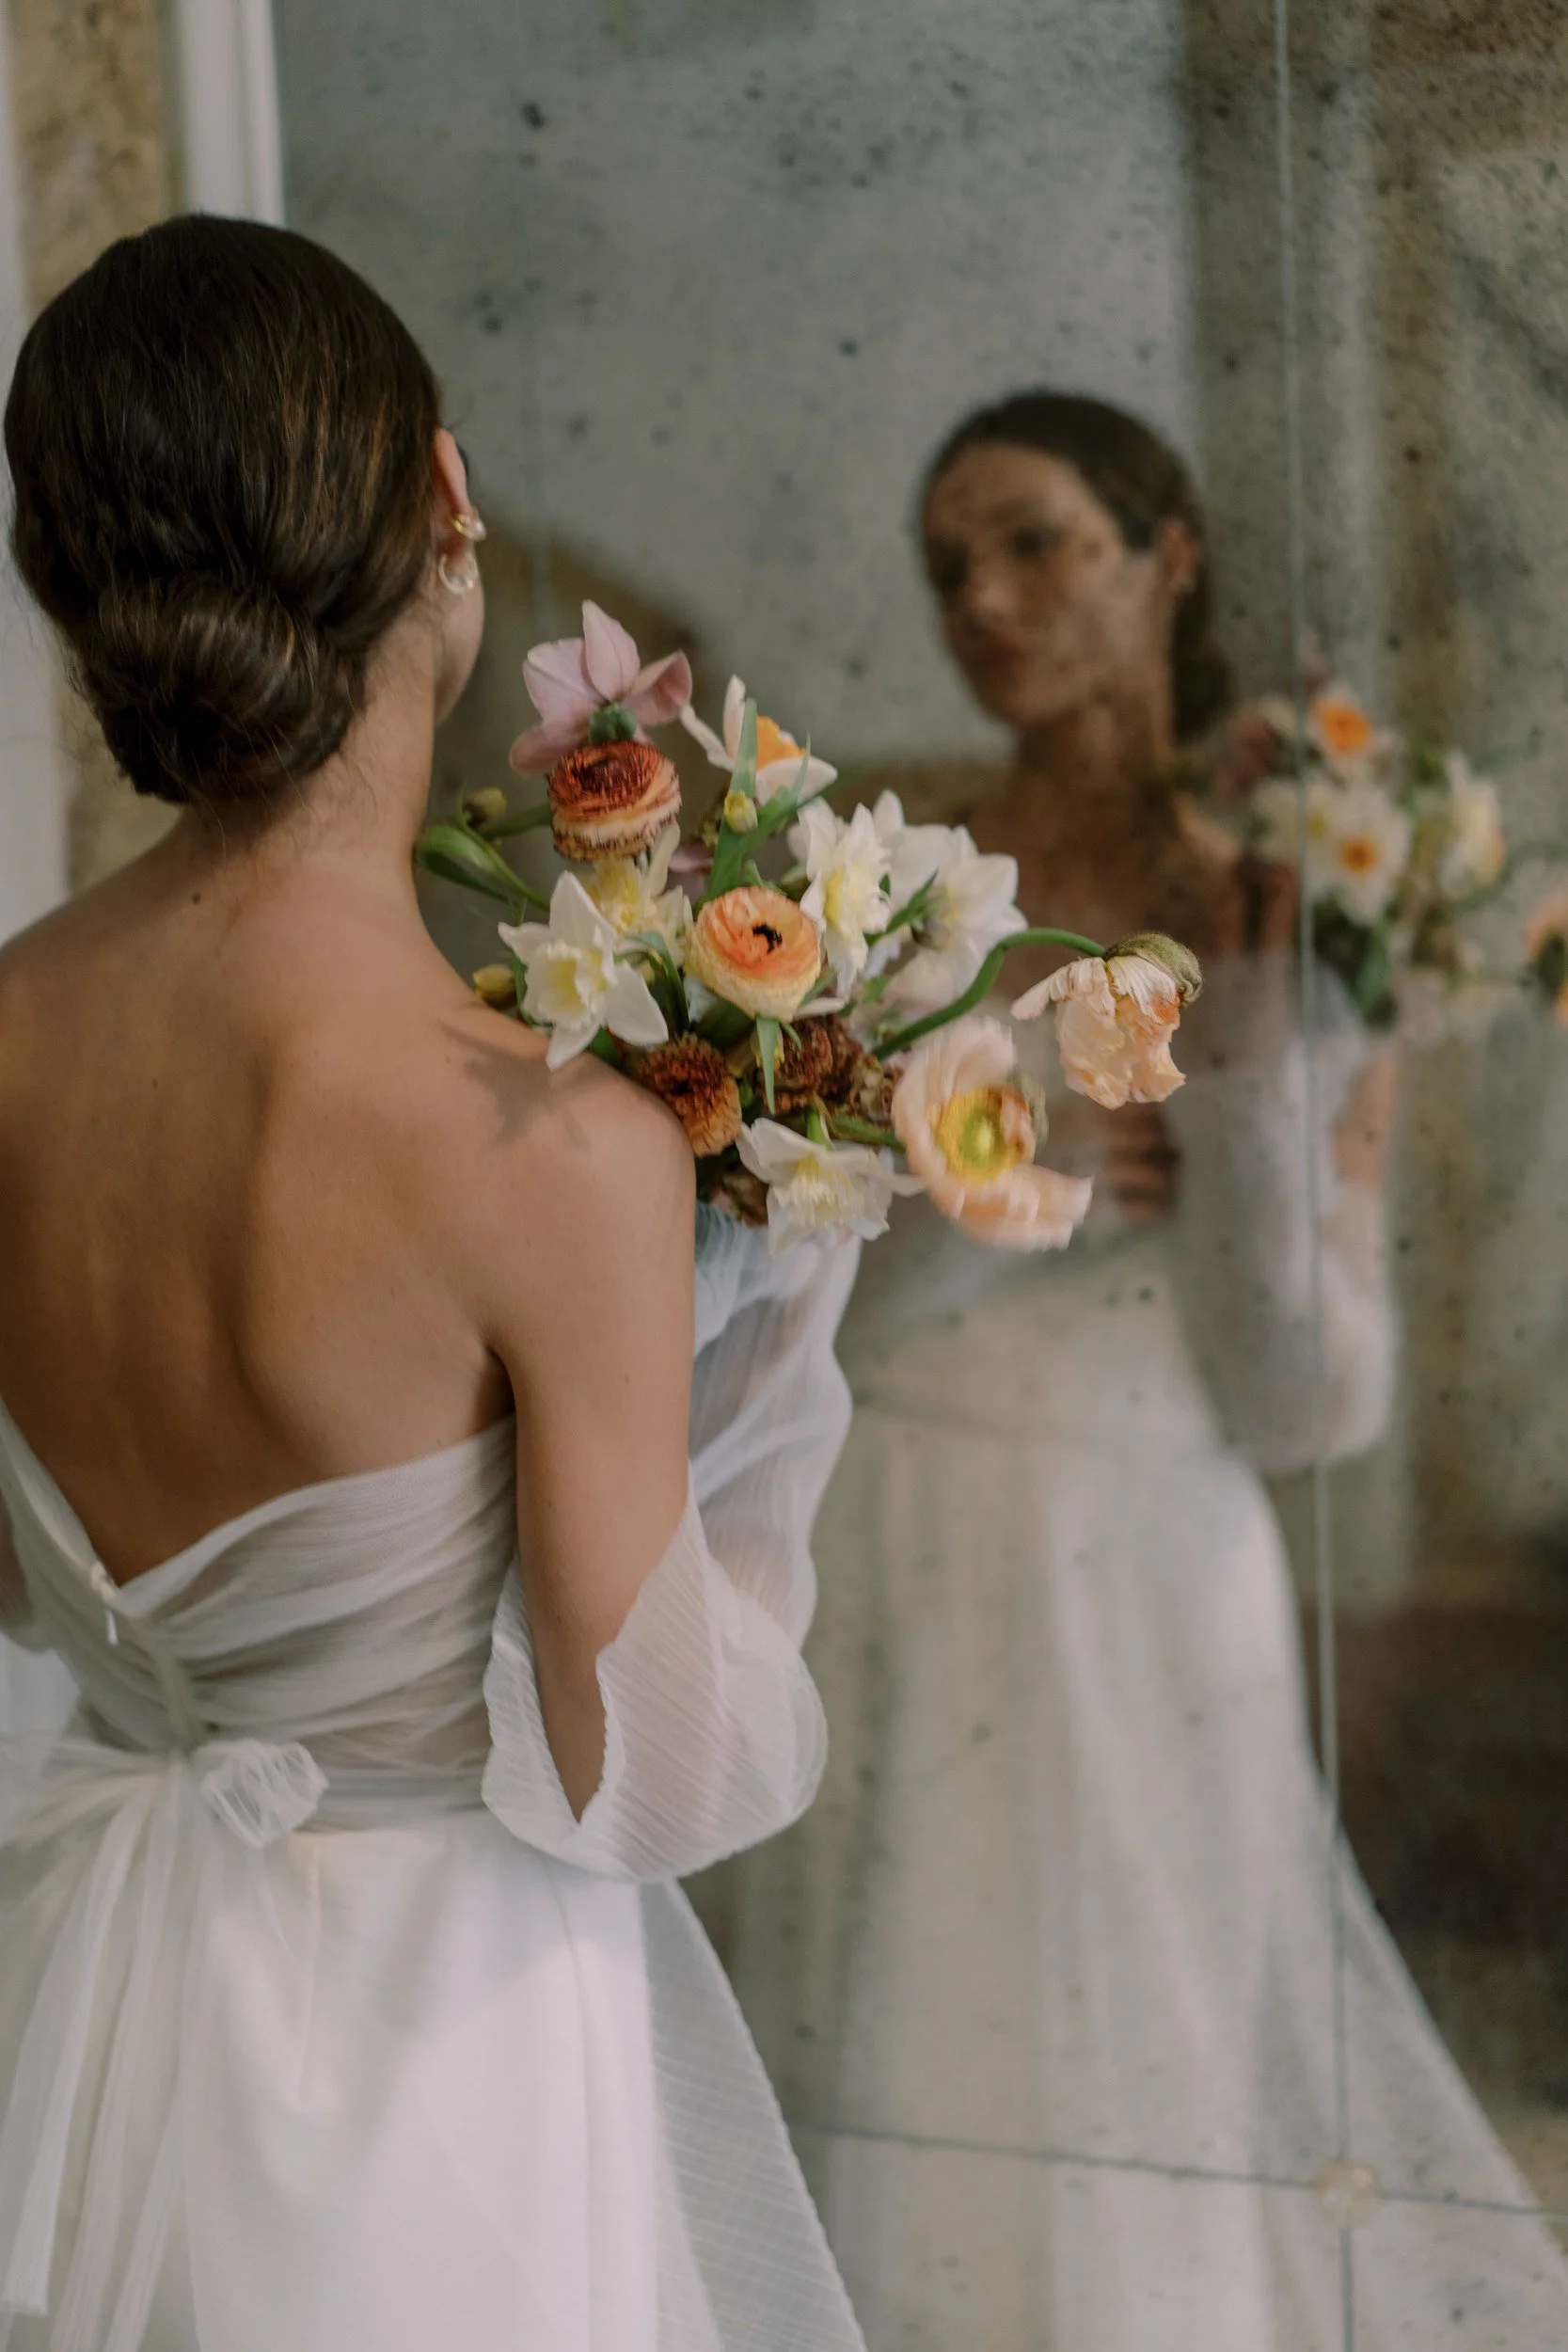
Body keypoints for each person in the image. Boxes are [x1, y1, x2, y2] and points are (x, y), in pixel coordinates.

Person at [0, 216, 866, 2352]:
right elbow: (657, 1781)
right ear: (450, 504)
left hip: (86, 2024)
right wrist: (775, 1283)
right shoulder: (550, 1149)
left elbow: (25, 1588)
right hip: (442, 2075)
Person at [730, 392, 1568, 2347]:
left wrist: (1265, 1079)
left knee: (1159, 2067)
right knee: (912, 2032)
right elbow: (786, 1280)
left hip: (1148, 1539)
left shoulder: (1284, 877)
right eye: (950, 565)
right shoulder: (882, 877)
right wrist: (999, 1166)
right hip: (903, 1516)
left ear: (1165, 549)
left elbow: (1308, 1401)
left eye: (1033, 541)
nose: (982, 600)